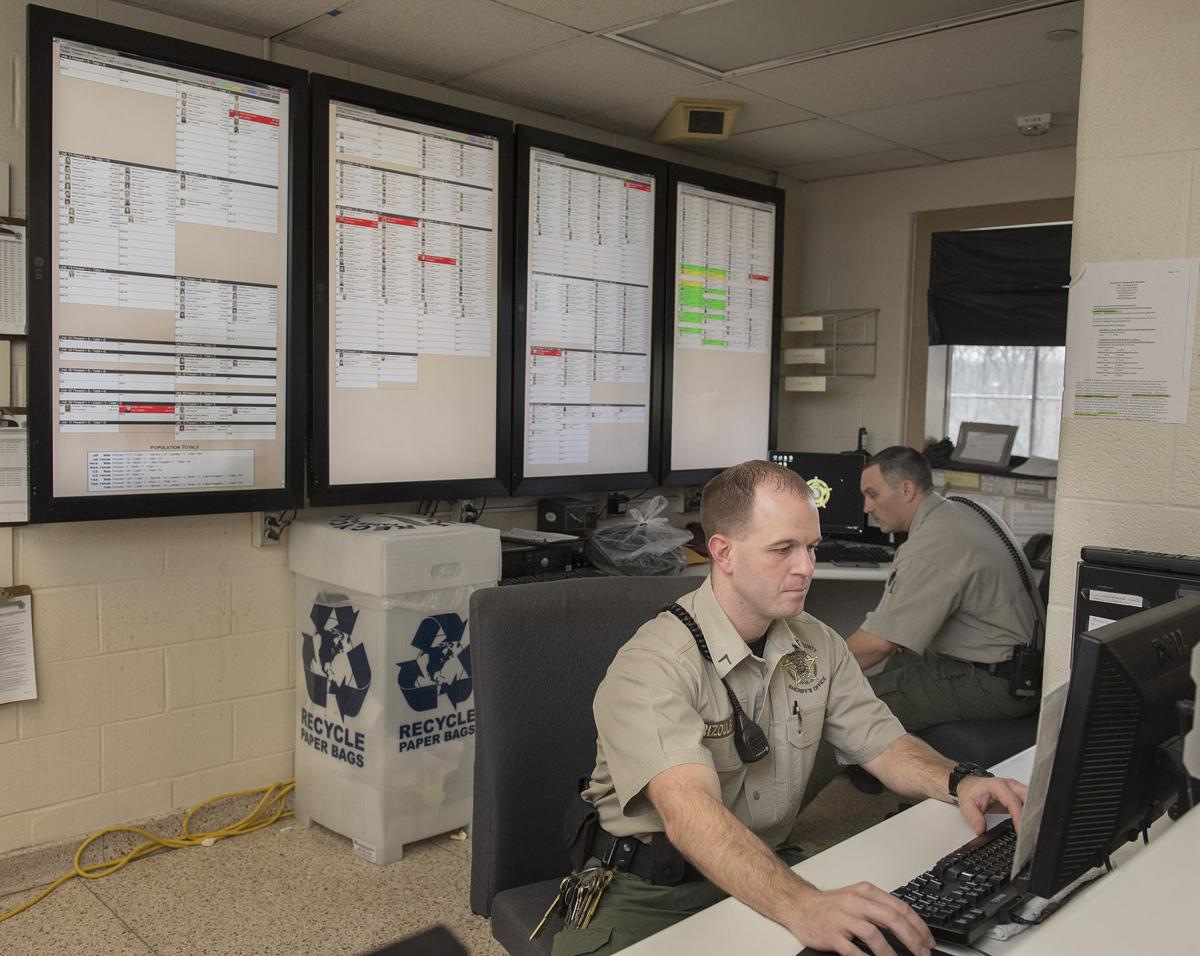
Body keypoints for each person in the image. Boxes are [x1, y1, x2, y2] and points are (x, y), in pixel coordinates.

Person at [551, 460, 1026, 956]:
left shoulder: (816, 643)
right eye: (783, 549)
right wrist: (802, 906)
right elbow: (691, 814)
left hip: (766, 863)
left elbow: (884, 745)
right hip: (654, 892)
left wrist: (960, 780)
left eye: (811, 547)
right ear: (723, 553)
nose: (806, 567)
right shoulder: (653, 665)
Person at [813, 446, 1041, 798]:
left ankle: (768, 827)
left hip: (994, 682)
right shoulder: (962, 511)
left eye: (872, 495)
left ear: (906, 490)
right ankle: (870, 766)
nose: (866, 508)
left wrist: (808, 678)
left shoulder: (932, 542)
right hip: (1015, 668)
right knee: (888, 670)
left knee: (846, 707)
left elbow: (878, 642)